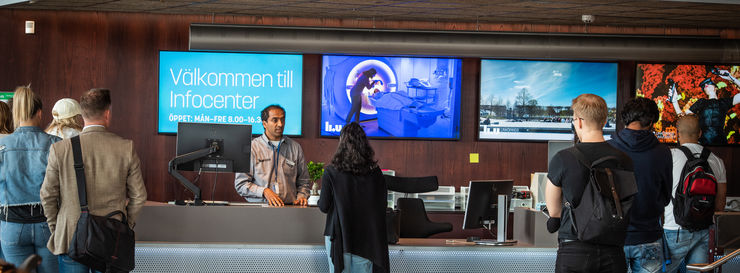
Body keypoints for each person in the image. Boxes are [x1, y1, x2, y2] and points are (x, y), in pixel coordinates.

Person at [40, 88, 148, 273]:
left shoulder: (60, 149)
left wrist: (57, 228)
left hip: (70, 236)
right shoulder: (125, 148)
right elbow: (139, 196)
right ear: (107, 113)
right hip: (112, 238)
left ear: (82, 115)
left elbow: (47, 195)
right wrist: (125, 224)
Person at [546, 94, 634, 273]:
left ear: (578, 121)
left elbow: (554, 211)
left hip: (574, 250)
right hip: (613, 252)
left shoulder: (563, 158)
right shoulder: (624, 160)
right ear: (603, 121)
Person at [0, 86, 61, 273]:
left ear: (16, 113)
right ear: (40, 113)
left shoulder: (2, 145)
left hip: (11, 224)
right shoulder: (56, 144)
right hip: (47, 224)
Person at [609, 97, 673, 273]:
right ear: (651, 121)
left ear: (624, 118)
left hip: (614, 239)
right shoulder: (663, 152)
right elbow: (666, 197)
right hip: (649, 236)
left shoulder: (608, 148)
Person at [319, 122, 389, 273]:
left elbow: (324, 206)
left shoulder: (331, 171)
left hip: (339, 238)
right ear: (364, 144)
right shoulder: (375, 172)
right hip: (366, 240)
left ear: (341, 144)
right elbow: (382, 205)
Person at [663, 115, 727, 273]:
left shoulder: (669, 157)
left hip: (674, 227)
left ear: (678, 133)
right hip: (704, 228)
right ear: (700, 133)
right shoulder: (717, 160)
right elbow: (720, 204)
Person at [234, 104, 311, 206]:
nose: (280, 124)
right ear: (264, 123)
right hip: (260, 209)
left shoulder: (295, 148)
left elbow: (304, 182)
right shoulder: (252, 148)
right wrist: (264, 191)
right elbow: (241, 184)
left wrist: (301, 196)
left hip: (289, 209)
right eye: (275, 120)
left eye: (282, 120)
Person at [670, 69, 740, 144]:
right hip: (703, 142)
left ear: (716, 88)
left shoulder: (724, 102)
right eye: (704, 86)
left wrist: (730, 78)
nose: (706, 85)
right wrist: (674, 101)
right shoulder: (701, 102)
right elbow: (682, 117)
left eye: (709, 83)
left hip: (720, 141)